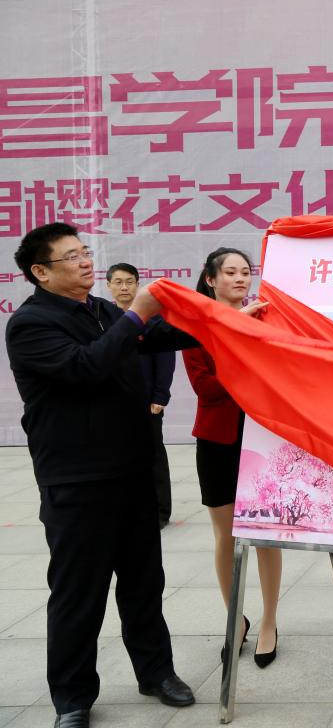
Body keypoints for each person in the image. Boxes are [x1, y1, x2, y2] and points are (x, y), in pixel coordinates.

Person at [6, 224, 198, 728]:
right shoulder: (31, 324)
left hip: (131, 470)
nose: (86, 262)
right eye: (71, 256)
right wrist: (136, 314)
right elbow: (87, 366)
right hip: (77, 481)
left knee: (143, 584)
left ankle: (156, 673)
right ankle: (72, 698)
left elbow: (159, 335)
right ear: (40, 272)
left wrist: (226, 318)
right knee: (78, 594)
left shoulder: (101, 310)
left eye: (85, 251)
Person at [183, 248, 281, 669]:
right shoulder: (195, 326)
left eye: (246, 272)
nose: (241, 279)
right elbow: (206, 387)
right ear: (210, 279)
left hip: (262, 436)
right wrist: (236, 332)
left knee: (267, 534)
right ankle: (235, 620)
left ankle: (270, 622)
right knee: (226, 536)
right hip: (218, 439)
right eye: (230, 272)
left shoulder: (266, 318)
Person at [106, 263, 176, 529]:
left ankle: (160, 511)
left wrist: (160, 396)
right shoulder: (105, 319)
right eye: (118, 282)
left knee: (153, 456)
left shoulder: (152, 318)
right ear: (109, 286)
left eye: (129, 282)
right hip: (115, 403)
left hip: (147, 402)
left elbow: (165, 361)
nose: (124, 287)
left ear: (137, 285)